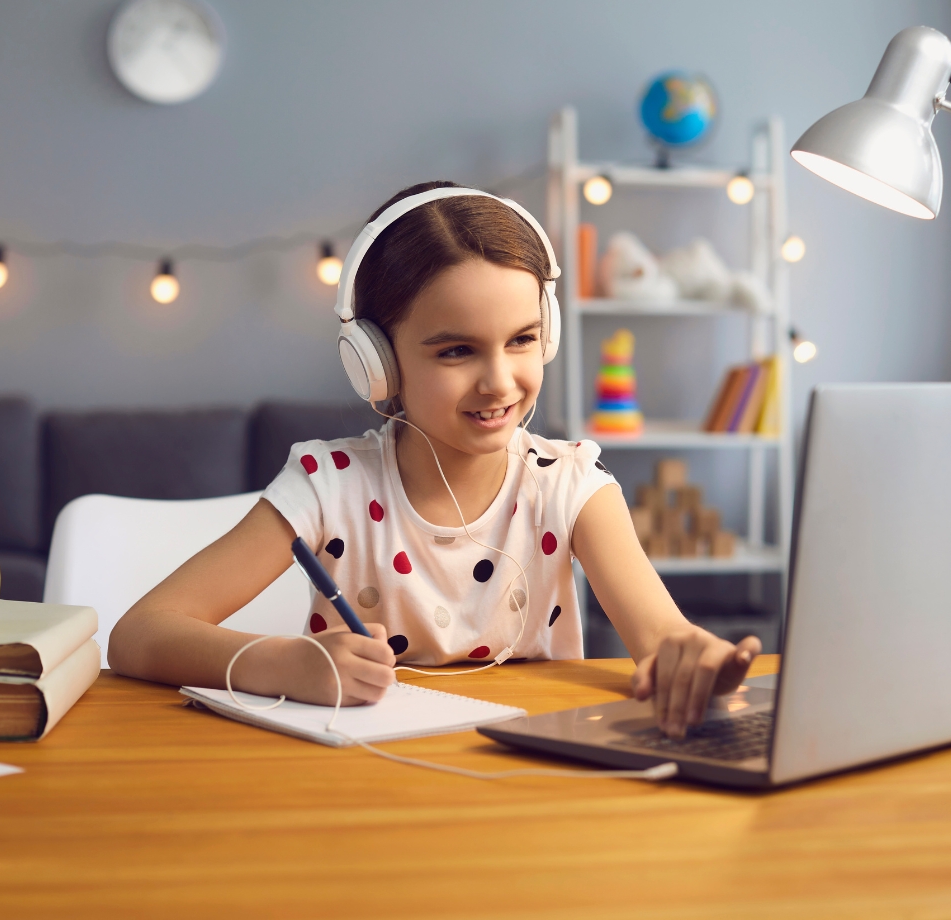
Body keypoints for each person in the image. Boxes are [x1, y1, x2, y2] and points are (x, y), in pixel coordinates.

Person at [108, 182, 760, 738]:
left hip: (525, 774)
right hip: (362, 774)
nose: (499, 381)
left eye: (523, 340)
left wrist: (690, 657)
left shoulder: (571, 485)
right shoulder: (327, 486)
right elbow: (138, 634)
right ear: (377, 362)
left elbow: (664, 635)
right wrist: (278, 663)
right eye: (456, 352)